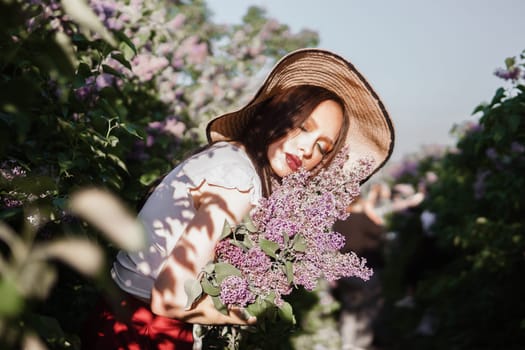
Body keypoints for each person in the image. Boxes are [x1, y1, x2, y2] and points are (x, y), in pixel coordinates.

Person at [81, 48, 395, 349]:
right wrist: (249, 315)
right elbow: (171, 298)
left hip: (116, 318)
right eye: (303, 127)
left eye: (323, 148)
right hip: (142, 334)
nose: (307, 149)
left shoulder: (231, 157)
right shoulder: (237, 181)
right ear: (278, 114)